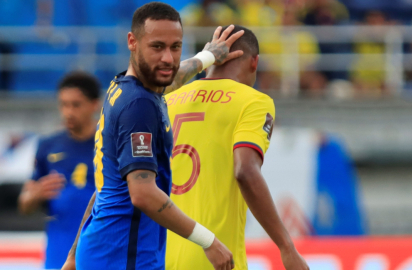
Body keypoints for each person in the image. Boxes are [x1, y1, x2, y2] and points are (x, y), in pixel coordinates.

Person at [61, 2, 244, 270]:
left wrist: (207, 57)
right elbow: (143, 193)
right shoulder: (139, 107)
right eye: (157, 47)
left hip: (103, 251)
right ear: (132, 42)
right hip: (123, 257)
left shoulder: (124, 87)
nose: (168, 58)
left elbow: (105, 189)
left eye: (176, 47)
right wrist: (209, 241)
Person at [165, 25, 310, 270]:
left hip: (158, 256)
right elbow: (245, 171)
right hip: (214, 257)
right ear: (255, 62)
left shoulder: (167, 99)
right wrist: (286, 246)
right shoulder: (253, 102)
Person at [18, 71, 102, 269]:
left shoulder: (110, 145)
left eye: (75, 104)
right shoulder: (48, 146)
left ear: (94, 104)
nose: (68, 112)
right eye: (63, 104)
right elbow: (25, 204)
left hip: (99, 253)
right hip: (58, 255)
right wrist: (33, 196)